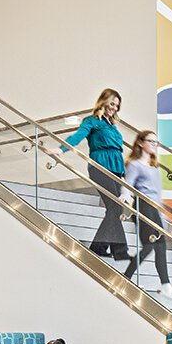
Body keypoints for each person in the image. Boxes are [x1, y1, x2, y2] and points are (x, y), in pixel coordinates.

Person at [64, 87, 129, 259]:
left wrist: (123, 175)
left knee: (116, 209)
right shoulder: (92, 121)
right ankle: (113, 249)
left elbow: (118, 151)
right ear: (103, 101)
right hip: (100, 167)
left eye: (117, 106)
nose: (114, 107)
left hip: (116, 169)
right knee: (114, 207)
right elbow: (77, 136)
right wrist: (61, 149)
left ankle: (102, 248)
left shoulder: (112, 126)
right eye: (112, 103)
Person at [123, 128, 172, 306]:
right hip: (143, 205)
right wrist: (125, 198)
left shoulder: (154, 167)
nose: (154, 145)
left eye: (156, 142)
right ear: (141, 143)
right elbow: (127, 185)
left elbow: (158, 194)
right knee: (151, 244)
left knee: (157, 245)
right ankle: (128, 277)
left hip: (155, 209)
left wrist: (162, 214)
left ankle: (164, 285)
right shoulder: (135, 164)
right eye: (151, 141)